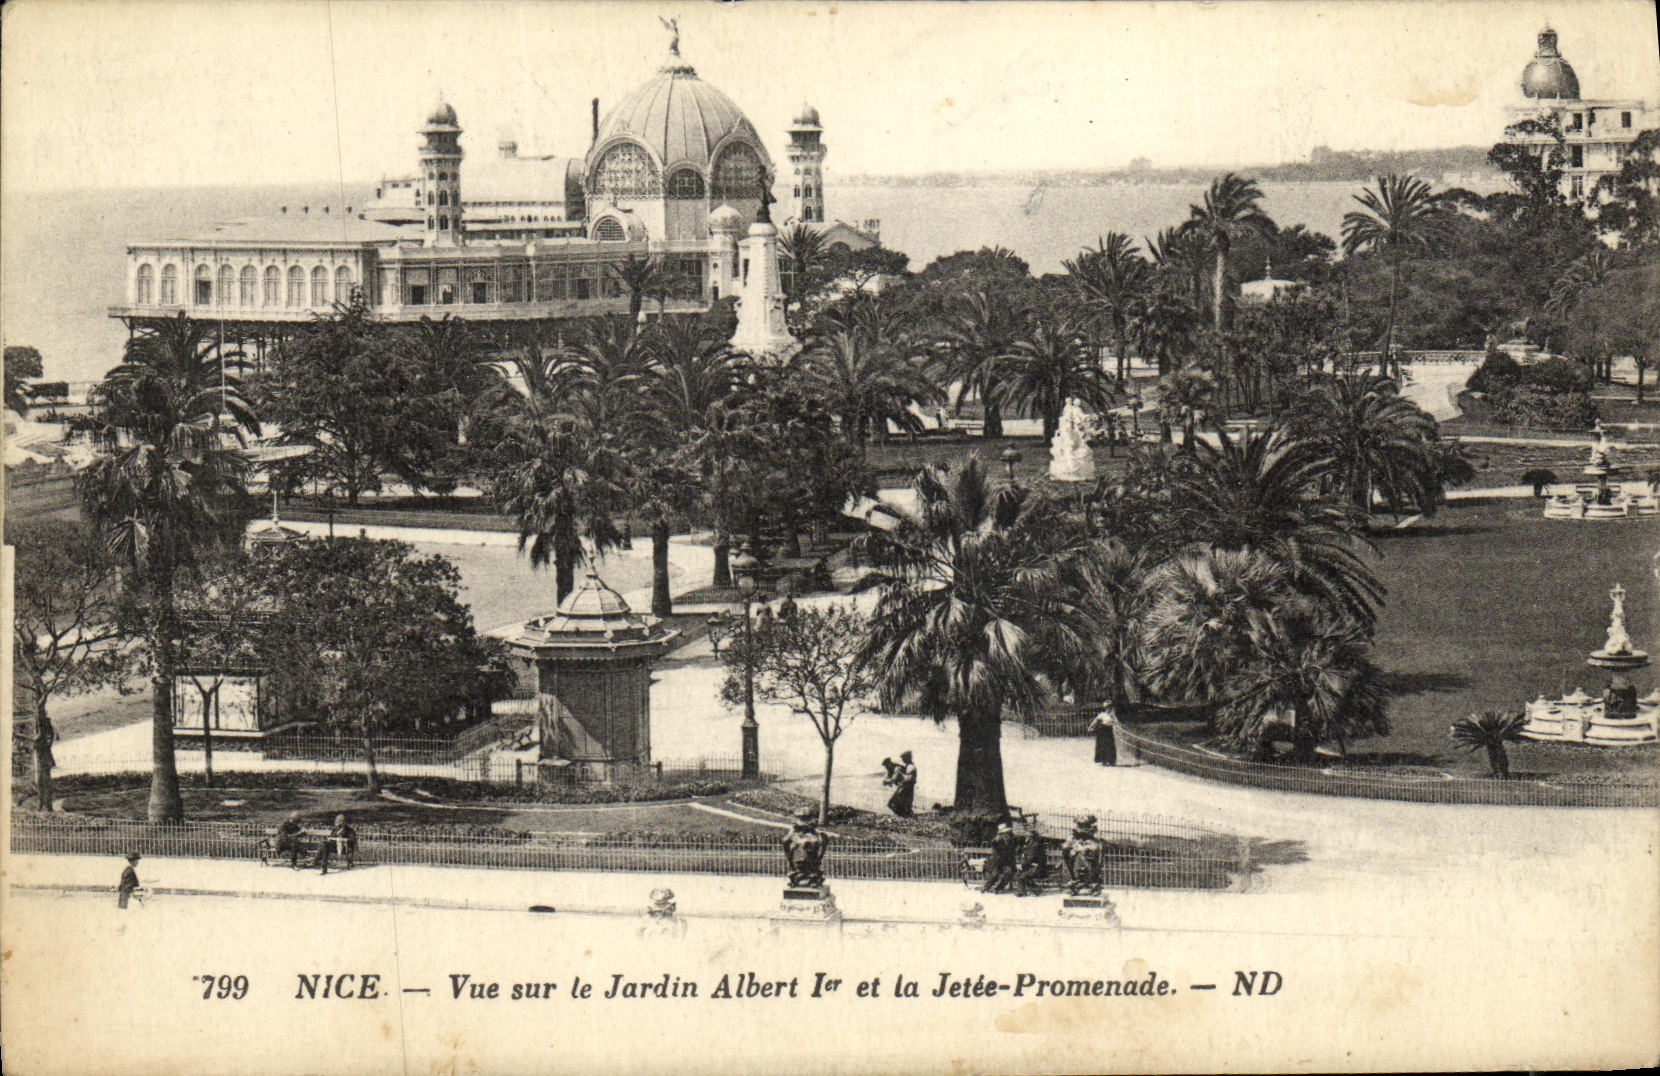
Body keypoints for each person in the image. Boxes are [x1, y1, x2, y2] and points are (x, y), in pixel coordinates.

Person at [781, 807, 831, 888]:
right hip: (797, 855)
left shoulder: (815, 833)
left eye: (805, 818)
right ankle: (796, 873)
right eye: (800, 818)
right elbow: (785, 841)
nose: (802, 822)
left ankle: (812, 876)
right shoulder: (794, 832)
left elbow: (820, 842)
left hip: (810, 856)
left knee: (811, 845)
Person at [1062, 815, 1105, 895]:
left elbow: (1097, 847)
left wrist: (1083, 848)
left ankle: (1089, 882)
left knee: (1084, 855)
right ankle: (1075, 879)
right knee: (1069, 852)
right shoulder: (1074, 835)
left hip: (1089, 862)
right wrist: (1071, 847)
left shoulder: (1095, 835)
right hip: (1076, 860)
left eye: (1084, 825)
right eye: (1080, 825)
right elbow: (1066, 845)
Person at [981, 820, 1019, 894]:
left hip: (1007, 861)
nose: (1007, 835)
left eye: (1008, 833)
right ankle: (985, 888)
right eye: (1005, 833)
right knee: (995, 874)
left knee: (1008, 873)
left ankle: (997, 888)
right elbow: (994, 845)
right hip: (997, 861)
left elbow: (1014, 848)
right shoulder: (997, 840)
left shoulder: (1011, 839)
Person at [1014, 822, 1048, 897]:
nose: (1026, 839)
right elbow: (1024, 857)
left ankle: (1036, 890)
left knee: (1023, 876)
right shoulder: (1029, 846)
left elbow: (1029, 858)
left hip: (1038, 868)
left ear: (1031, 838)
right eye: (1026, 837)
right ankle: (1021, 891)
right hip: (1031, 867)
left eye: (1027, 837)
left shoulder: (1035, 846)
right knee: (1019, 874)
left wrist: (1021, 864)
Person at [886, 751, 917, 818]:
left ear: (908, 758)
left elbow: (909, 779)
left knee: (894, 804)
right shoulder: (908, 766)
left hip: (906, 788)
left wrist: (900, 776)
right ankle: (905, 817)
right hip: (904, 788)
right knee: (899, 805)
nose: (903, 760)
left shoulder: (911, 767)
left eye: (904, 758)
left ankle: (904, 817)